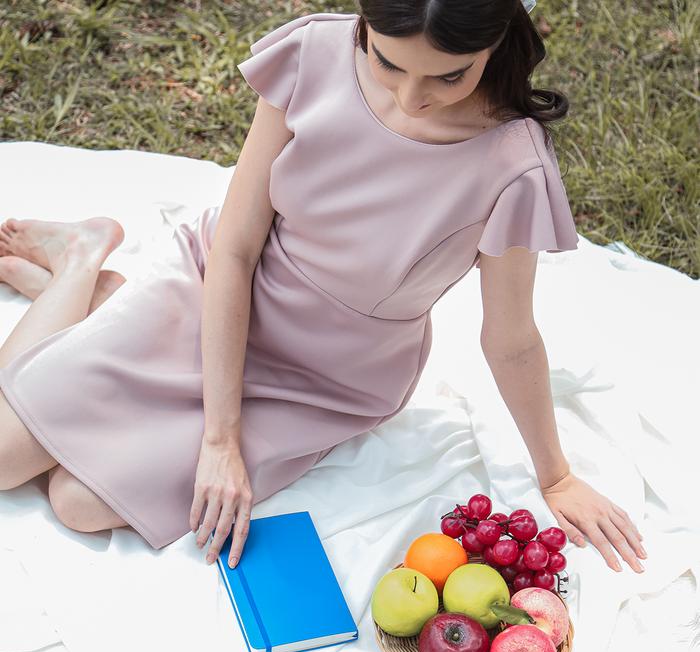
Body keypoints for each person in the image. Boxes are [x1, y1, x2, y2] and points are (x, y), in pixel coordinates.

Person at [0, 2, 646, 576]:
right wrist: (219, 442)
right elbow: (236, 247)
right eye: (388, 63)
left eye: (448, 76)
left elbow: (510, 339)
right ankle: (80, 261)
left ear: (496, 41)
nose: (411, 98)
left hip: (327, 379)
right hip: (221, 290)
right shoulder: (313, 55)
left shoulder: (514, 166)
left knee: (77, 503)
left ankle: (97, 294)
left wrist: (556, 476)